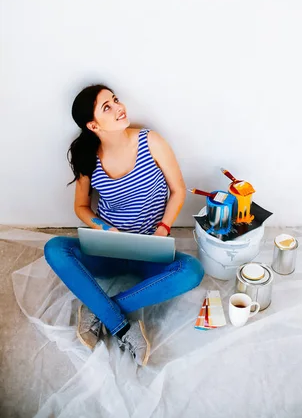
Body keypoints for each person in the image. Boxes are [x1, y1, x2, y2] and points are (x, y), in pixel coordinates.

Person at [44, 84, 204, 366]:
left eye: (116, 100)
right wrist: (102, 228)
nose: (119, 107)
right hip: (108, 250)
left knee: (192, 271)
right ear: (93, 125)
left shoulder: (150, 141)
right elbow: (81, 207)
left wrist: (163, 230)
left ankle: (101, 310)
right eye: (107, 107)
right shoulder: (88, 160)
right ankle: (122, 324)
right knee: (55, 248)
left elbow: (178, 190)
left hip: (148, 249)